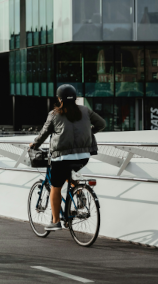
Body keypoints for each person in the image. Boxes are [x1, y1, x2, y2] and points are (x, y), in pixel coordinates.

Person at [30, 85, 106, 231]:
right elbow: (101, 124)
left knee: (55, 187)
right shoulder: (85, 110)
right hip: (83, 157)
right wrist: (90, 132)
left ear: (59, 99)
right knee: (69, 173)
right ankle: (78, 191)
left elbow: (43, 134)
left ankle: (56, 221)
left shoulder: (54, 114)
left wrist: (34, 144)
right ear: (75, 97)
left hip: (61, 158)